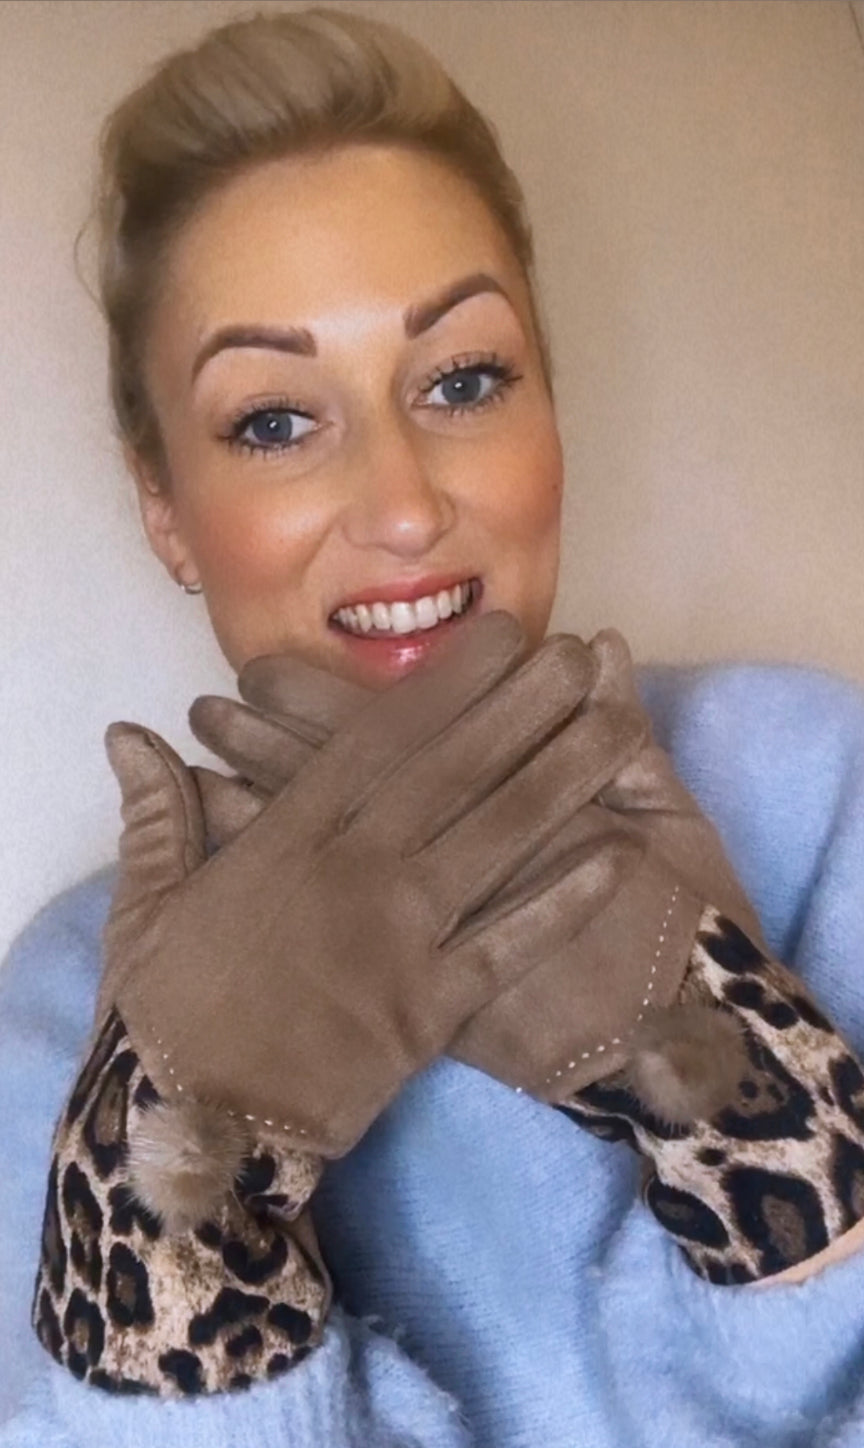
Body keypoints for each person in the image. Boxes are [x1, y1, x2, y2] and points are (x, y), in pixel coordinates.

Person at [3, 7, 864, 1445]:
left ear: (550, 410)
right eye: (274, 421)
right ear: (165, 507)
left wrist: (759, 1126)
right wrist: (174, 1250)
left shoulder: (817, 786)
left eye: (463, 382)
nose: (404, 507)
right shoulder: (65, 1011)